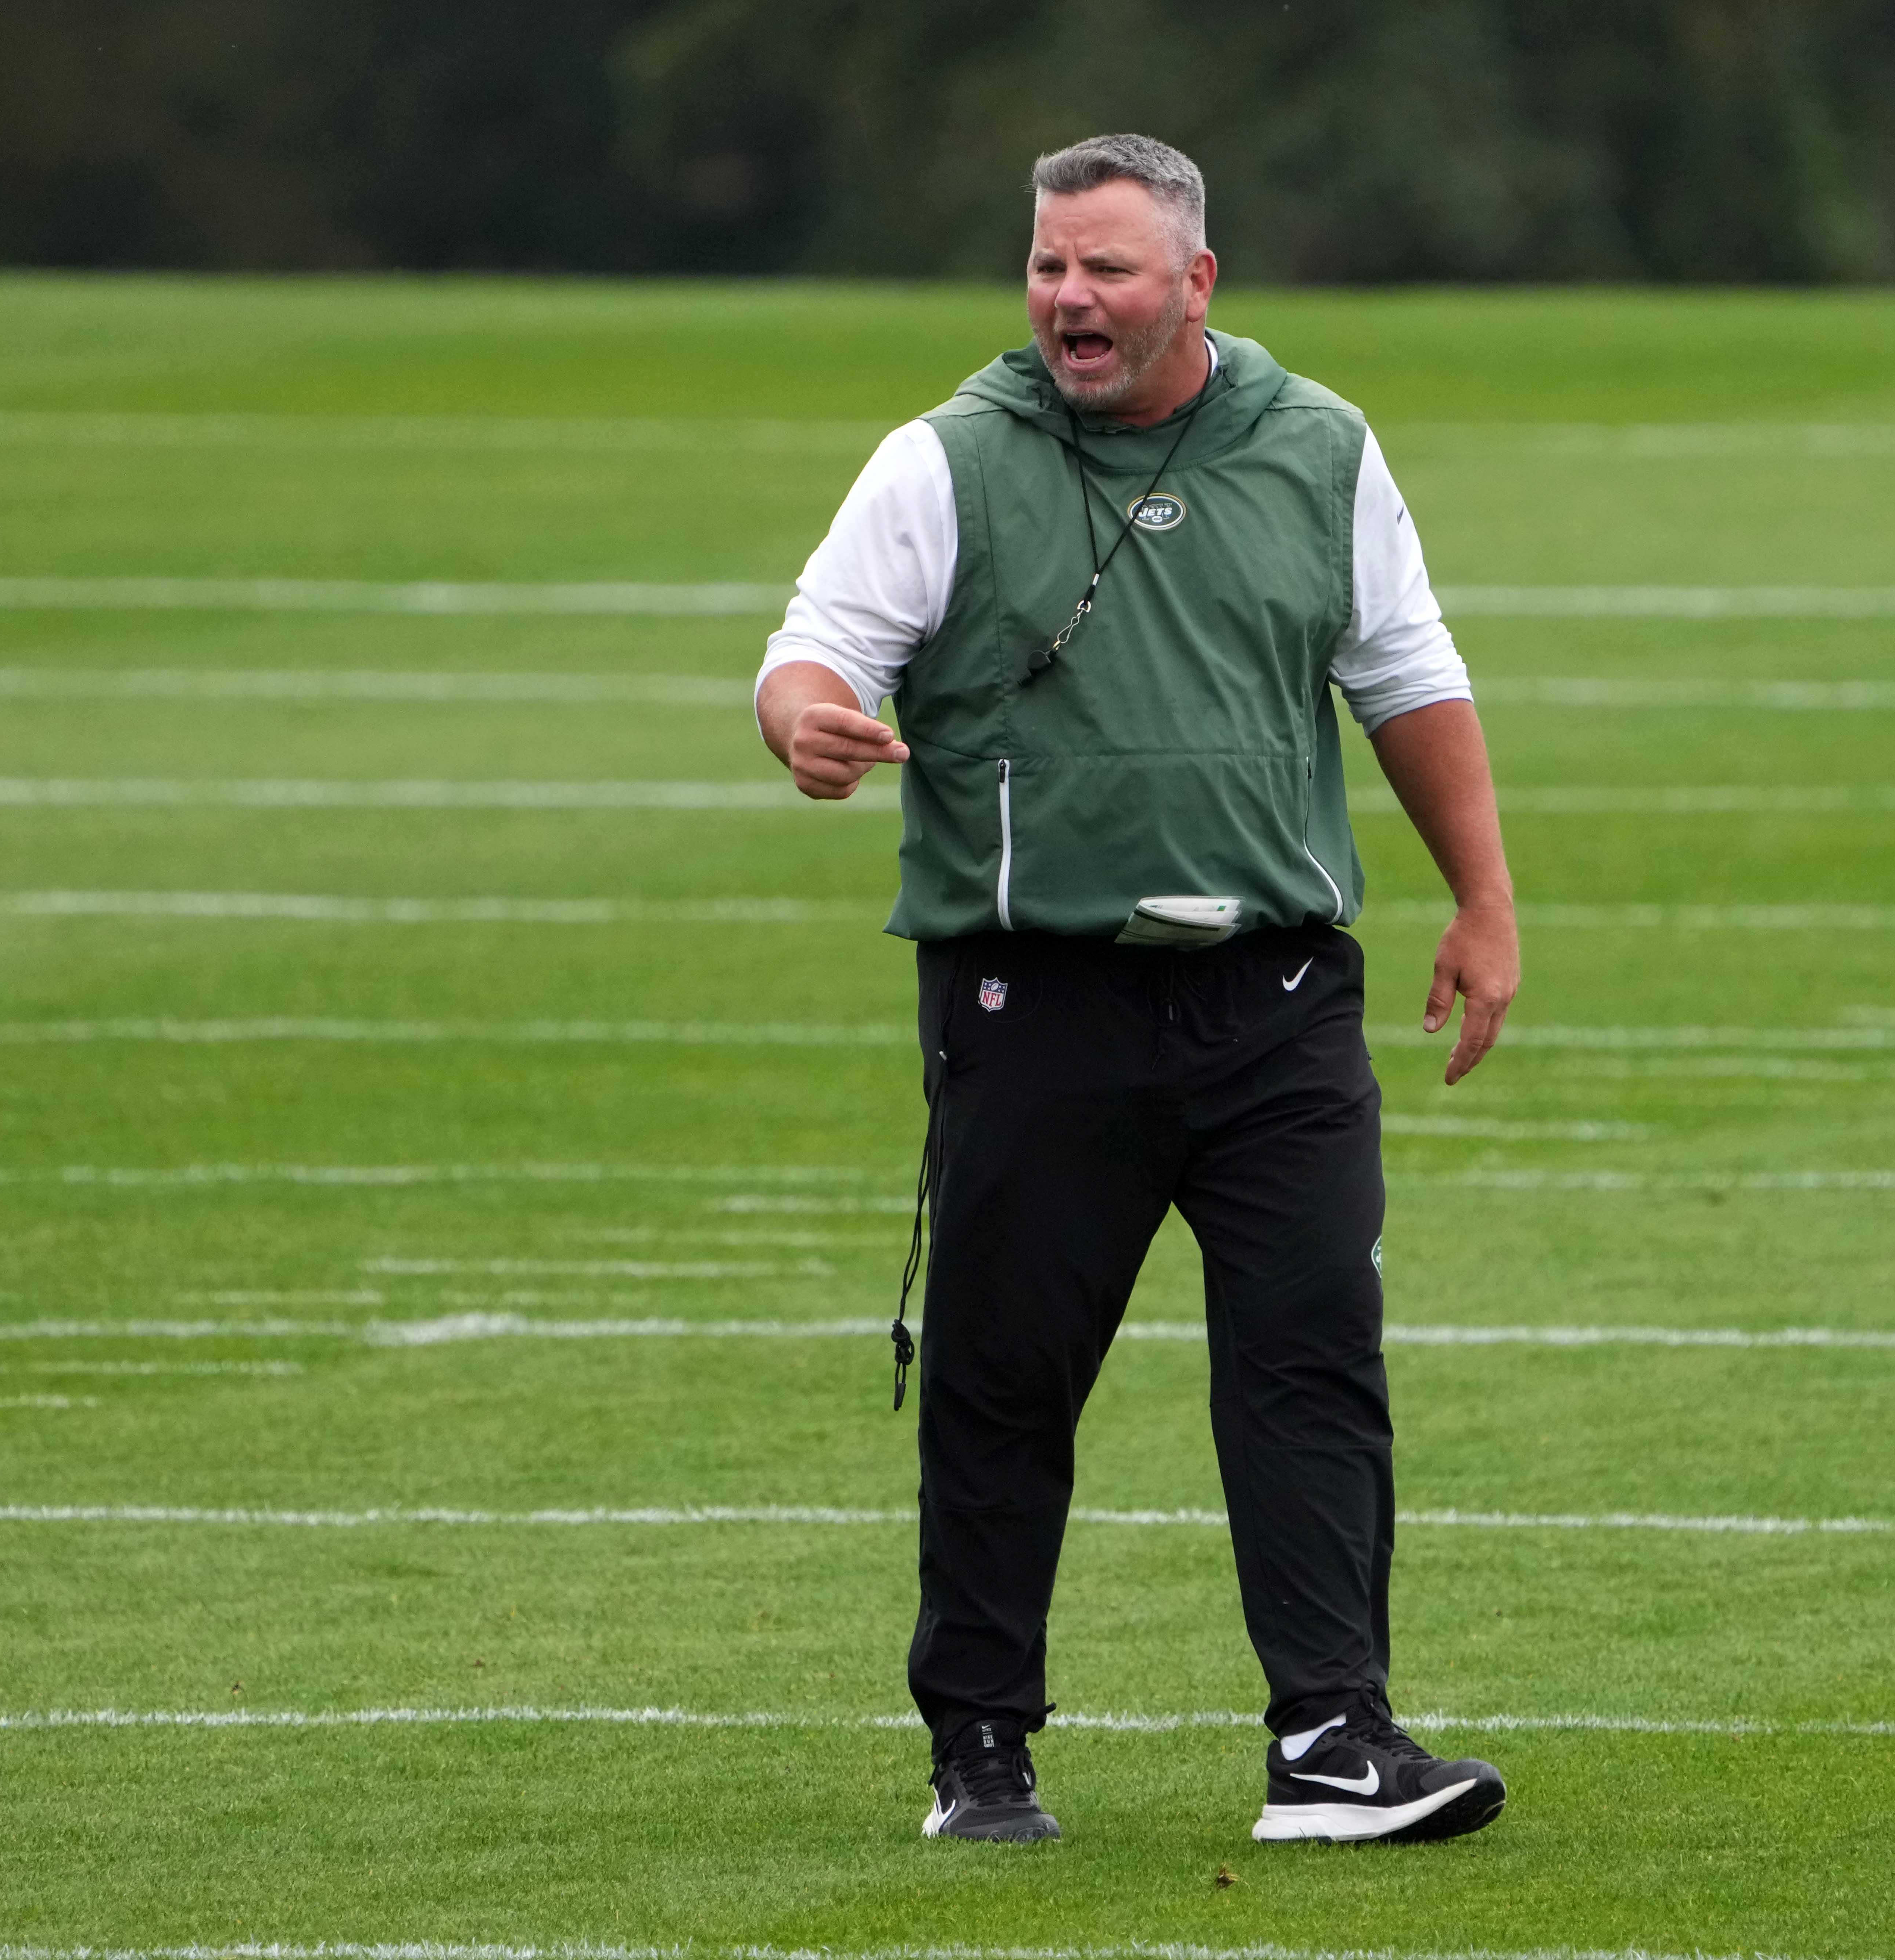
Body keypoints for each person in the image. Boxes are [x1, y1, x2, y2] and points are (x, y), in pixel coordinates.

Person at [753, 133, 1520, 1847]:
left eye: (1104, 268)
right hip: (1040, 1004)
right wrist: (801, 713)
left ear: (1197, 282)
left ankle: (1332, 1741)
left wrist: (1484, 897)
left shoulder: (1318, 445)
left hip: (1281, 997)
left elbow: (1406, 672)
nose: (1069, 300)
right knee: (1005, 1378)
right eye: (1045, 266)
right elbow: (817, 638)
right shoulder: (947, 458)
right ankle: (982, 1746)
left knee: (1315, 1353)